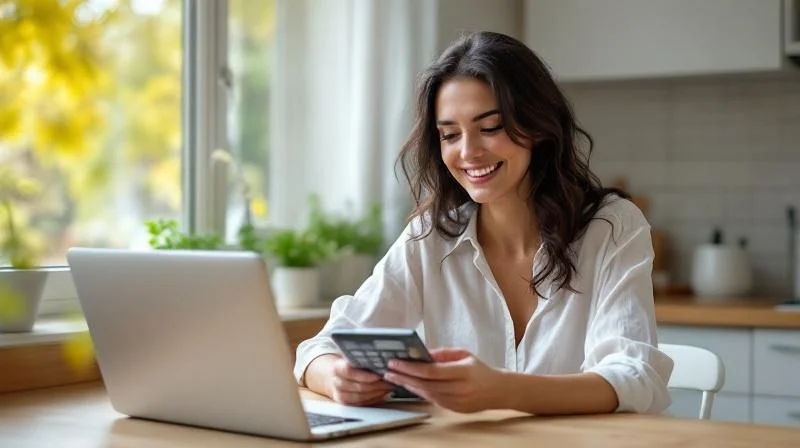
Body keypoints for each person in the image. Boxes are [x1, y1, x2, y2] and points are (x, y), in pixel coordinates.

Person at [293, 31, 673, 415]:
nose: (468, 152)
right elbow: (319, 349)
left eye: (490, 128)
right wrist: (334, 376)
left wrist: (504, 390)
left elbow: (635, 377)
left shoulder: (613, 227)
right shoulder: (431, 237)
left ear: (538, 126)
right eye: (450, 135)